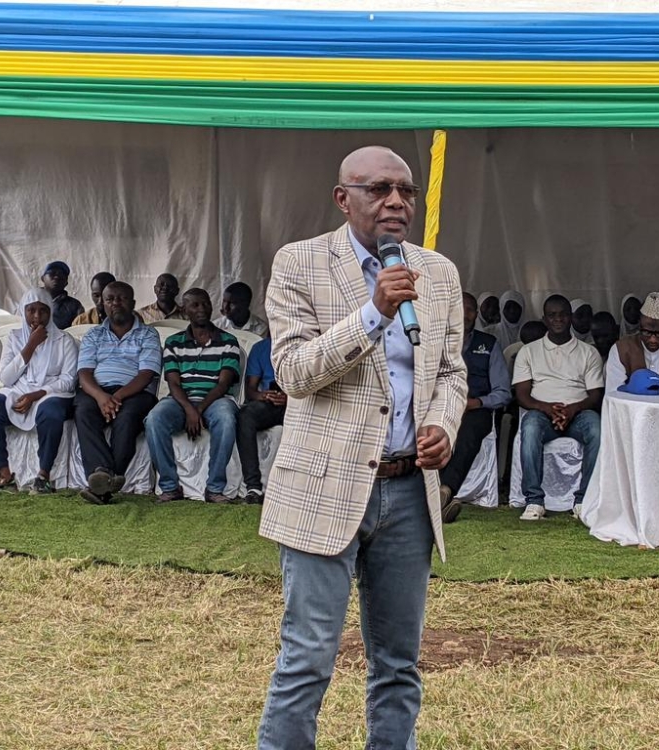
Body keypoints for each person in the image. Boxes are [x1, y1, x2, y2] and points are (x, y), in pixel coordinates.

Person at [257, 146, 466, 749]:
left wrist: (444, 425)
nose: (396, 202)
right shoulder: (299, 264)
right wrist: (373, 312)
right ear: (343, 199)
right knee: (307, 660)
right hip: (324, 487)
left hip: (407, 493)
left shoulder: (440, 273)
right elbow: (294, 372)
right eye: (378, 190)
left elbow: (451, 371)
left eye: (406, 190)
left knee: (399, 665)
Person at [145, 288, 242, 504]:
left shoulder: (228, 341)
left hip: (216, 400)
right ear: (185, 310)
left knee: (226, 419)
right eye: (194, 305)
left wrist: (198, 410)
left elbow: (224, 383)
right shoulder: (174, 342)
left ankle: (214, 488)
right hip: (181, 400)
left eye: (205, 303)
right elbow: (173, 382)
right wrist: (189, 409)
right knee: (154, 419)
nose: (201, 309)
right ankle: (170, 487)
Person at [513, 294, 603, 521]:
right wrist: (546, 409)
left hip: (579, 412)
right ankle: (534, 501)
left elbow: (595, 394)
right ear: (544, 319)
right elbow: (522, 394)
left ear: (571, 318)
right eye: (552, 315)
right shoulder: (528, 351)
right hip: (541, 413)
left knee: (597, 429)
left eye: (563, 315)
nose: (558, 320)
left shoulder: (588, 352)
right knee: (530, 426)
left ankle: (583, 500)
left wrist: (572, 410)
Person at [75, 281, 161, 504]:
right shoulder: (93, 335)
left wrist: (117, 397)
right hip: (98, 390)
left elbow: (146, 374)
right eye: (110, 299)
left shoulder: (148, 334)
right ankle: (104, 475)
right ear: (102, 304)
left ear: (132, 303)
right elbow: (84, 373)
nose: (116, 303)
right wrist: (102, 397)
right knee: (83, 410)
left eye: (121, 298)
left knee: (127, 416)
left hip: (135, 391)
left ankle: (102, 482)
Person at [0, 288, 78, 494]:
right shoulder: (15, 337)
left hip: (51, 394)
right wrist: (30, 344)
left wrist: (36, 395)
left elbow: (68, 381)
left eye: (43, 311)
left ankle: (43, 476)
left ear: (51, 313)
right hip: (18, 393)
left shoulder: (64, 341)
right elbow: (6, 378)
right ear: (23, 311)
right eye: (31, 311)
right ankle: (4, 473)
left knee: (52, 412)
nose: (37, 317)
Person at [439, 292, 511, 524]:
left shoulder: (489, 345)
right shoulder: (435, 340)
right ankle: (438, 504)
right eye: (460, 308)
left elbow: (503, 392)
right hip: (439, 406)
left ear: (476, 314)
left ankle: (445, 490)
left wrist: (477, 402)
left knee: (468, 435)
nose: (465, 314)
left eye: (470, 309)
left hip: (475, 408)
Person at [236, 335, 286, 505]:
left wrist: (291, 398)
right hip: (269, 403)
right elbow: (250, 390)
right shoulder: (261, 348)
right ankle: (253, 487)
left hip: (301, 403)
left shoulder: (307, 342)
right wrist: (262, 395)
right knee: (245, 416)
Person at [607, 292, 659, 391]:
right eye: (646, 332)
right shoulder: (620, 350)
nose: (653, 339)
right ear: (639, 326)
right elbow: (614, 392)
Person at [39, 261, 85, 330]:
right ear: (43, 278)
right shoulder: (32, 300)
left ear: (66, 282)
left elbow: (78, 331)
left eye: (61, 274)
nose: (57, 277)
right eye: (52, 273)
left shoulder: (75, 306)